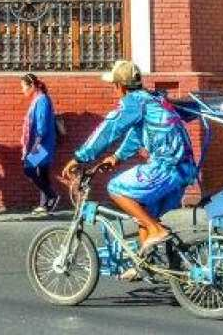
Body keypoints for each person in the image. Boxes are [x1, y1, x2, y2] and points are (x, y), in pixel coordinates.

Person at [66, 60, 196, 258]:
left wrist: (80, 157)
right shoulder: (154, 99)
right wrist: (117, 157)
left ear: (120, 86)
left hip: (166, 167)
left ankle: (157, 230)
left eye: (114, 86)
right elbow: (137, 134)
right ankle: (143, 264)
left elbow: (110, 129)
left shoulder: (133, 101)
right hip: (185, 170)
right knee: (142, 212)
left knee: (116, 188)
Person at [20, 73, 59, 214]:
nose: (22, 90)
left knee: (28, 169)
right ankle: (45, 205)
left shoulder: (41, 100)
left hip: (41, 144)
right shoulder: (39, 99)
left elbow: (41, 127)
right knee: (42, 174)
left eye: (23, 87)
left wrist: (35, 147)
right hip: (43, 143)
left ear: (32, 86)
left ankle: (52, 196)